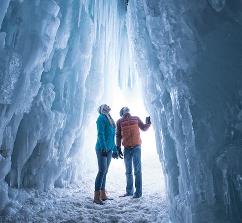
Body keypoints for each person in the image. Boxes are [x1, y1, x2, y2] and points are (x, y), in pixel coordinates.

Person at [116, 107, 151, 198]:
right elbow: (118, 135)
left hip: (136, 147)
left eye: (127, 109)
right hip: (126, 148)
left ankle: (138, 193)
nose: (126, 109)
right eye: (124, 109)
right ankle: (129, 191)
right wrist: (118, 147)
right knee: (128, 171)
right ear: (122, 112)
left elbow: (143, 128)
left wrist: (148, 123)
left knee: (137, 171)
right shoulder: (119, 122)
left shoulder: (136, 118)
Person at [94, 104, 120, 205]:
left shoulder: (110, 119)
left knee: (105, 171)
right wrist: (104, 147)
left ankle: (103, 194)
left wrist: (114, 150)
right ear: (102, 109)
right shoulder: (101, 118)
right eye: (105, 106)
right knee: (101, 171)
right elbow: (100, 134)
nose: (108, 107)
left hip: (108, 149)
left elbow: (111, 136)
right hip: (101, 149)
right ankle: (96, 196)